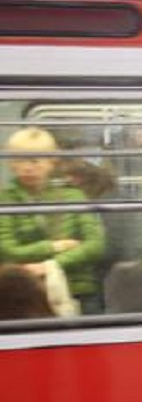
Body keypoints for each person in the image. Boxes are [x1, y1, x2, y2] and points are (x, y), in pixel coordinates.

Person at [0, 127, 106, 314]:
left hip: (78, 289)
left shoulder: (73, 196)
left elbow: (96, 245)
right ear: (11, 163)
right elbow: (8, 250)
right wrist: (53, 247)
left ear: (51, 162)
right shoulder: (5, 201)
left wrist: (49, 266)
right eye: (19, 160)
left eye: (35, 160)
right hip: (29, 293)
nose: (27, 167)